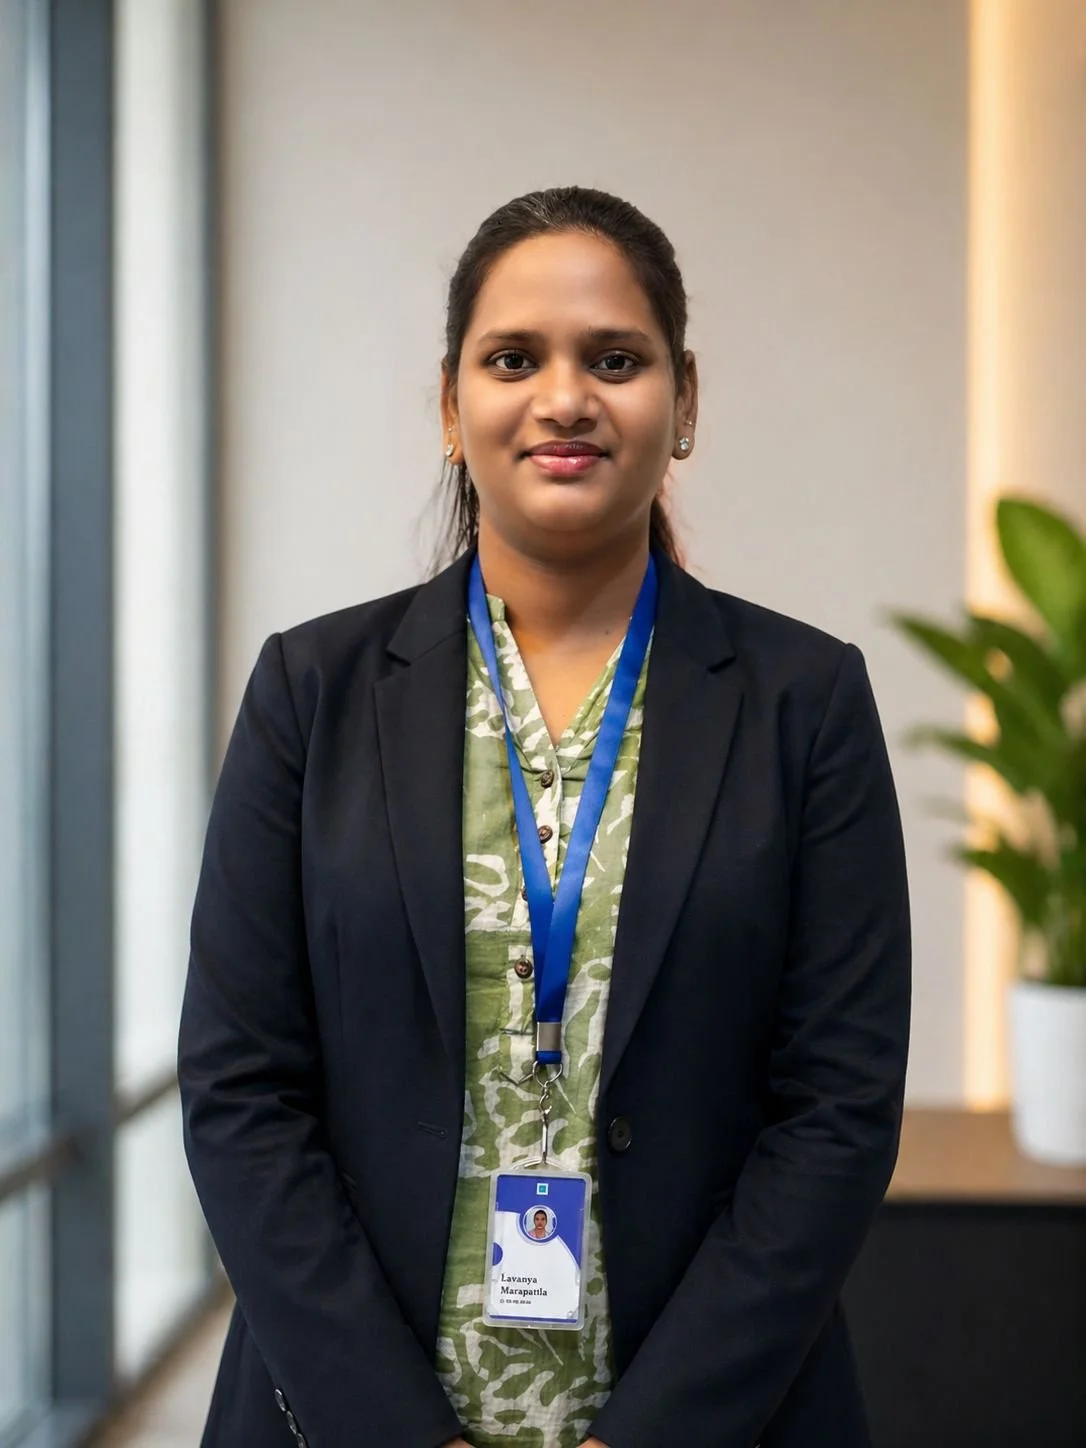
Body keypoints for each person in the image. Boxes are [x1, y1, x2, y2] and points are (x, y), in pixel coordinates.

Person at [178, 185, 910, 1448]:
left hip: (720, 1415)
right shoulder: (313, 691)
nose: (565, 396)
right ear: (451, 407)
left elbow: (837, 1106)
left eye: (614, 360)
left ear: (684, 402)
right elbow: (241, 1092)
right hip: (349, 1414)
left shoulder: (805, 700)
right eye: (514, 358)